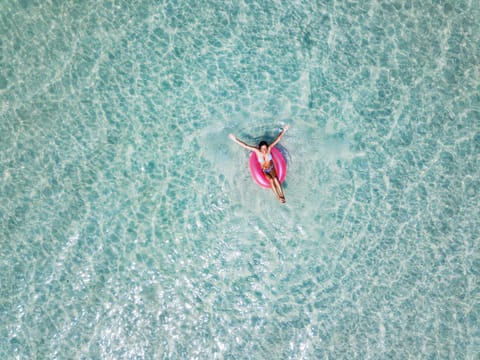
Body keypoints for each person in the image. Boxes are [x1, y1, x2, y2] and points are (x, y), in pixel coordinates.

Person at [229, 125, 290, 203]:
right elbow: (246, 145)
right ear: (260, 148)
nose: (264, 150)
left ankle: (282, 195)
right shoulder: (257, 151)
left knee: (275, 179)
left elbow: (277, 139)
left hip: (272, 168)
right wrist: (235, 139)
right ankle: (278, 197)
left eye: (265, 148)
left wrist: (284, 130)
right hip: (265, 170)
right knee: (271, 180)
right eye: (262, 148)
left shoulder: (269, 149)